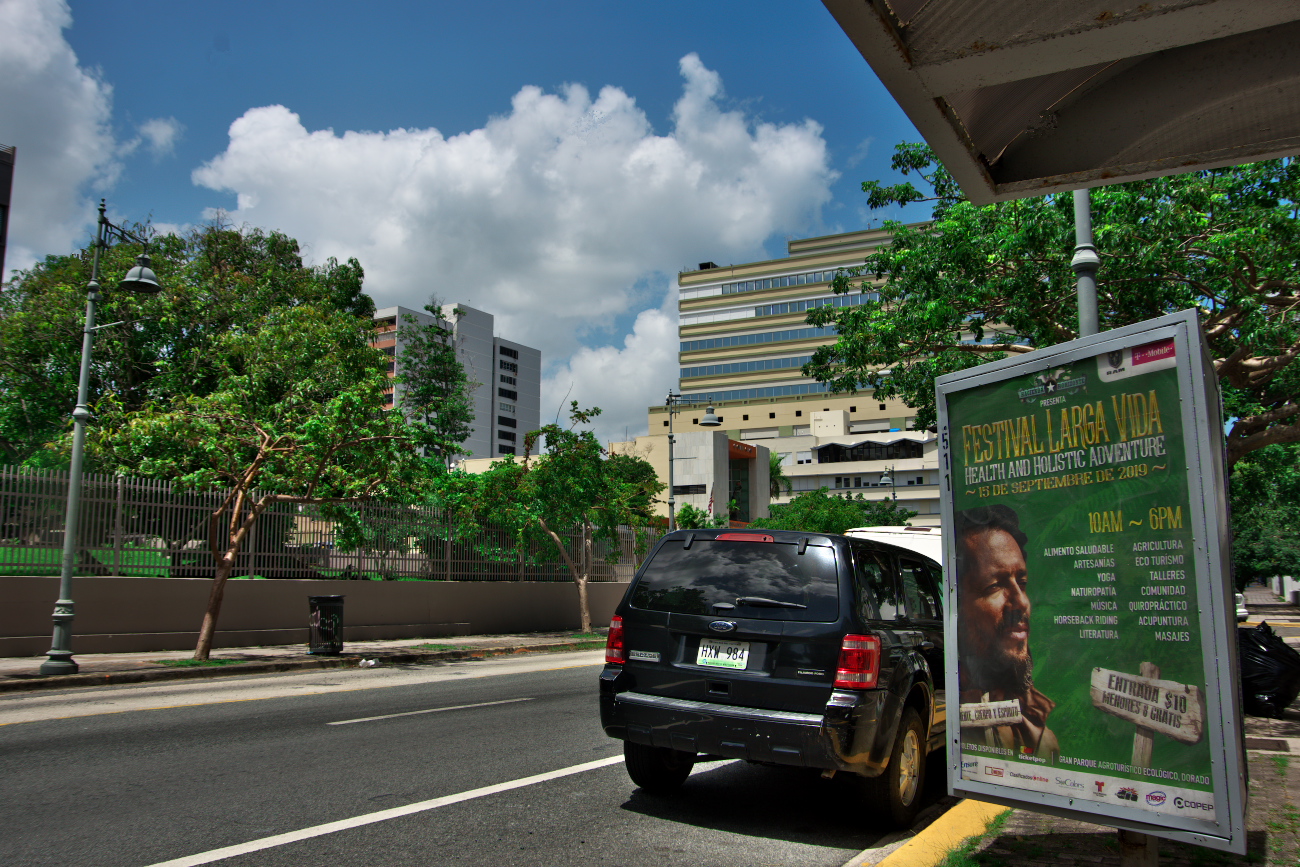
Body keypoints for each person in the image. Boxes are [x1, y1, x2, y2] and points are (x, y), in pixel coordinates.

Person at [955, 505, 1059, 761]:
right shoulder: (947, 722)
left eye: (1021, 583)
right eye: (994, 586)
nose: (1021, 602)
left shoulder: (1038, 732)